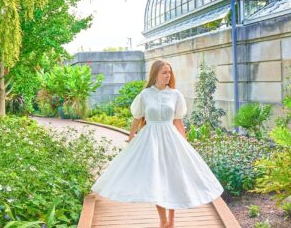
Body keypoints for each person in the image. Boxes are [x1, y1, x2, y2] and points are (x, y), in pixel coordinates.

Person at [91, 59, 224, 228]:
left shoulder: (176, 95)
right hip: (150, 141)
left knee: (173, 178)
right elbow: (136, 118)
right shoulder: (145, 95)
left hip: (171, 140)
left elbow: (178, 121)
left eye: (169, 72)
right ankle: (163, 220)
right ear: (155, 74)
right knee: (157, 180)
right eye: (164, 72)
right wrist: (131, 139)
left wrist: (185, 143)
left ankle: (172, 220)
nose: (168, 75)